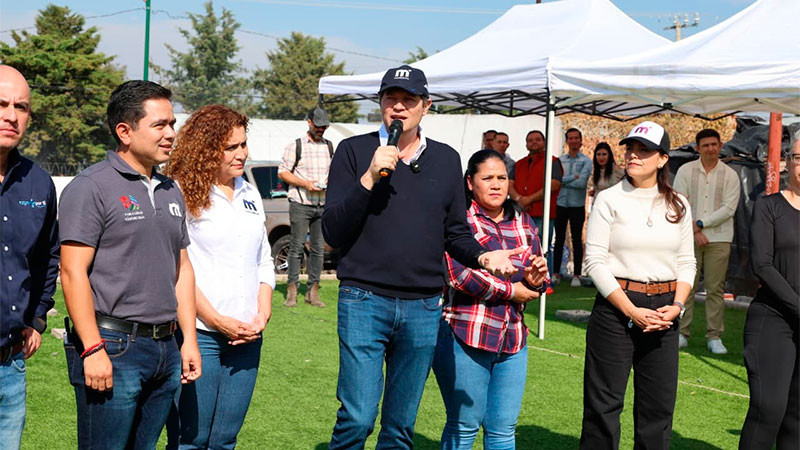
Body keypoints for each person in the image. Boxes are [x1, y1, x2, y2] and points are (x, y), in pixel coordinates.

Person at [322, 64, 522, 450]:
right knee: (357, 418)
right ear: (380, 103)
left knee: (399, 428)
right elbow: (332, 230)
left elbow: (455, 232)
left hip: (424, 306)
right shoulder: (353, 151)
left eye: (408, 100)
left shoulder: (447, 160)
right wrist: (369, 177)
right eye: (391, 98)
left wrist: (483, 256)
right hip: (364, 300)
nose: (399, 107)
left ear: (425, 106)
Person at [59, 80, 202, 449]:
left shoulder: (172, 189)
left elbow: (182, 268)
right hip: (112, 345)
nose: (171, 133)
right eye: (160, 125)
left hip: (165, 347)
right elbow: (72, 272)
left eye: (172, 123)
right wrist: (92, 349)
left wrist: (188, 340)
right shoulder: (91, 186)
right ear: (125, 131)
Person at [163, 105, 275, 449]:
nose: (243, 153)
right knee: (190, 441)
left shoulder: (250, 192)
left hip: (247, 337)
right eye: (232, 147)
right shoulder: (180, 192)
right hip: (199, 335)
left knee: (225, 440)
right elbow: (177, 268)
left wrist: (262, 314)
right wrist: (214, 319)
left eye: (243, 144)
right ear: (207, 148)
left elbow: (264, 260)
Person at [580, 121, 695, 449]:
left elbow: (687, 263)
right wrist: (631, 310)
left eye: (644, 150)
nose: (633, 155)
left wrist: (677, 307)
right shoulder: (608, 199)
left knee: (657, 411)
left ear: (662, 159)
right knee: (603, 408)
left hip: (664, 311)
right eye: (630, 148)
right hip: (615, 309)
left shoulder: (679, 205)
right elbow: (595, 263)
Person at [433, 149, 549, 449]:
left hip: (513, 339)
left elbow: (536, 275)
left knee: (503, 430)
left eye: (502, 178)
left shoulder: (522, 220)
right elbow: (460, 275)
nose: (496, 184)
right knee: (464, 425)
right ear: (470, 183)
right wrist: (514, 290)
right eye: (487, 178)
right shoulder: (459, 220)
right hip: (465, 334)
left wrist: (537, 281)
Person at [0, 65, 59, 450]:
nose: (10, 114)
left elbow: (47, 257)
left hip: (9, 365)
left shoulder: (38, 183)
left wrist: (37, 318)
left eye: (20, 107)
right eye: (1, 104)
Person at [739, 131, 800, 450]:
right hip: (773, 319)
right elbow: (762, 265)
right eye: (799, 157)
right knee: (769, 409)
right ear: (788, 163)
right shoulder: (768, 207)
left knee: (797, 416)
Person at [673, 129, 741, 354]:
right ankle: (682, 333)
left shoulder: (730, 175)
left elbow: (729, 208)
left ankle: (714, 336)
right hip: (687, 238)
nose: (711, 148)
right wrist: (694, 231)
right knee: (686, 286)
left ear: (720, 146)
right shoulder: (685, 171)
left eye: (714, 144)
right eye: (706, 145)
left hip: (719, 238)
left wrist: (701, 224)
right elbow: (679, 202)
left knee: (715, 289)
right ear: (697, 148)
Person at [278, 106, 333, 308]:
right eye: (318, 126)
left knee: (318, 249)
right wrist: (305, 183)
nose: (321, 130)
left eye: (324, 126)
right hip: (301, 202)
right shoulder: (296, 146)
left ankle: (313, 292)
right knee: (297, 247)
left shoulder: (329, 146)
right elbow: (283, 172)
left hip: (322, 203)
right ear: (309, 122)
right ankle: (292, 291)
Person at [510, 130, 563, 273]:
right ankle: (521, 275)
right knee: (520, 245)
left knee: (542, 247)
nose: (534, 142)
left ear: (544, 142)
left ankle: (546, 279)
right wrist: (519, 199)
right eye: (530, 140)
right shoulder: (518, 164)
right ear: (526, 144)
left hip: (543, 213)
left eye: (537, 139)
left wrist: (529, 199)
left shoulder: (553, 161)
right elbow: (509, 184)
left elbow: (554, 184)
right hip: (520, 212)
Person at [553, 128, 592, 287]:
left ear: (581, 141)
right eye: (571, 138)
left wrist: (564, 180)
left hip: (577, 204)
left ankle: (577, 274)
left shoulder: (586, 161)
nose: (573, 141)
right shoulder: (560, 161)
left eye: (576, 138)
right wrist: (571, 178)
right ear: (567, 141)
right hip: (560, 203)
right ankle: (555, 272)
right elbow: (555, 181)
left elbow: (581, 183)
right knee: (559, 238)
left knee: (577, 239)